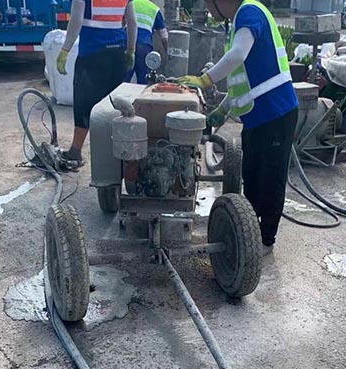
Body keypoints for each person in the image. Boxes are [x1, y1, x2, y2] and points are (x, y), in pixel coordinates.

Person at [179, 0, 298, 256]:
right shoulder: (239, 23)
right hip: (258, 117)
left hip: (276, 112)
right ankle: (250, 234)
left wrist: (206, 79)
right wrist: (223, 111)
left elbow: (237, 56)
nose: (208, 10)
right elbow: (241, 82)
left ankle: (265, 240)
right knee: (252, 177)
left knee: (270, 179)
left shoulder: (249, 12)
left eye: (208, 3)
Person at [56, 0, 138, 166]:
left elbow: (76, 20)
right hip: (117, 55)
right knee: (115, 105)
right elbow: (132, 23)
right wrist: (130, 50)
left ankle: (75, 152)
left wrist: (65, 50)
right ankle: (118, 157)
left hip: (91, 55)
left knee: (84, 104)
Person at [125, 0, 168, 84]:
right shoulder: (154, 9)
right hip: (145, 46)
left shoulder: (129, 3)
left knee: (123, 79)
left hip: (128, 42)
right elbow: (164, 36)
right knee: (144, 80)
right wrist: (168, 53)